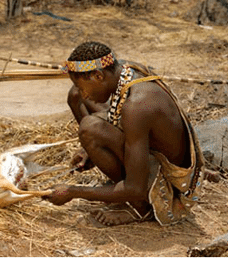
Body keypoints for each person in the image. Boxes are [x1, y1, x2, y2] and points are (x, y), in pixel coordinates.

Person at [43, 41, 204, 226]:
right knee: (75, 97)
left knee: (90, 129)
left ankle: (141, 208)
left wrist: (72, 192)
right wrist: (90, 151)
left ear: (98, 75)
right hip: (148, 148)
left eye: (83, 86)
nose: (84, 93)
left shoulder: (136, 106)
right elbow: (98, 102)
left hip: (170, 186)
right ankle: (102, 159)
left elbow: (134, 188)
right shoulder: (127, 69)